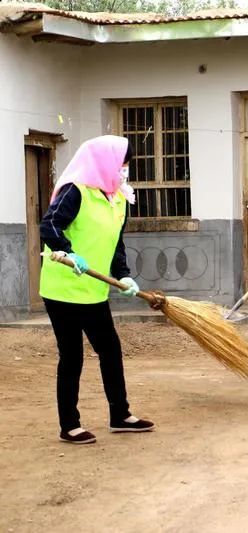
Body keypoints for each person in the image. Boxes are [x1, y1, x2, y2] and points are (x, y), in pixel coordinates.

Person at [39, 135, 154, 445]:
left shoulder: (119, 197)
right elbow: (49, 225)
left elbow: (116, 242)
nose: (125, 169)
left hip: (94, 289)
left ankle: (120, 415)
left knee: (110, 350)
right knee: (72, 355)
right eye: (123, 163)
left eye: (128, 164)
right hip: (62, 288)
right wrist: (66, 251)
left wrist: (124, 275)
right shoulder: (75, 191)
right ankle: (70, 425)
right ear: (105, 161)